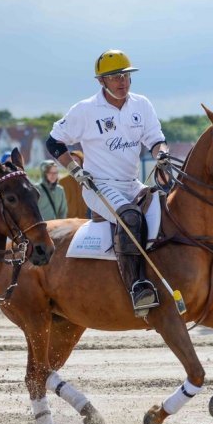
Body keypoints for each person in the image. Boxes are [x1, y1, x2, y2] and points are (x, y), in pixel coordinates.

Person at [46, 49, 168, 316]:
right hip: (98, 186)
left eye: (124, 75)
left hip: (131, 182)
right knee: (130, 218)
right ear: (101, 81)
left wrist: (163, 156)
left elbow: (155, 140)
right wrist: (75, 170)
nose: (121, 81)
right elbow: (53, 142)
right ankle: (137, 287)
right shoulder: (86, 110)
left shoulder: (142, 105)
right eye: (114, 77)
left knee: (166, 206)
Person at [58, 150, 90, 219]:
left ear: (81, 162)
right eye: (71, 161)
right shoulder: (62, 182)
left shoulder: (87, 180)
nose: (74, 163)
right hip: (69, 221)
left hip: (86, 219)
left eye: (76, 160)